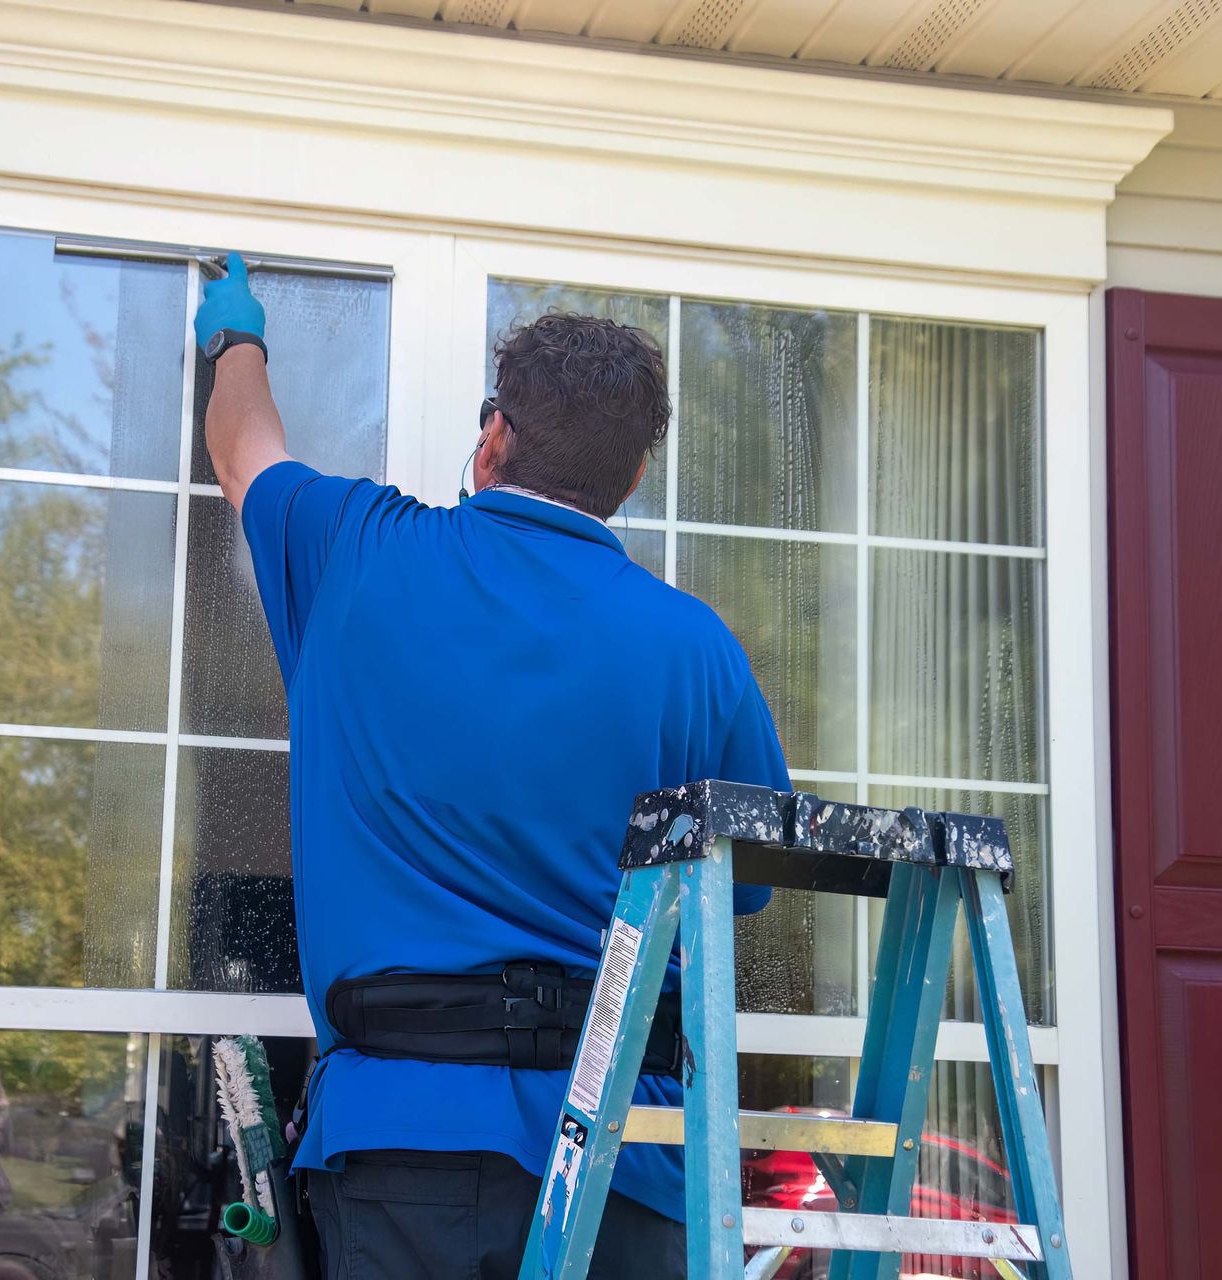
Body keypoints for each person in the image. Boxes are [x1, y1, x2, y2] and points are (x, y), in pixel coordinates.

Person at [193, 254, 790, 1280]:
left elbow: (246, 449)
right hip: (621, 1157)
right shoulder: (696, 649)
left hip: (406, 1143)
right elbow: (747, 885)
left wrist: (233, 335)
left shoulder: (355, 551)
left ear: (494, 436)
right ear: (632, 477)